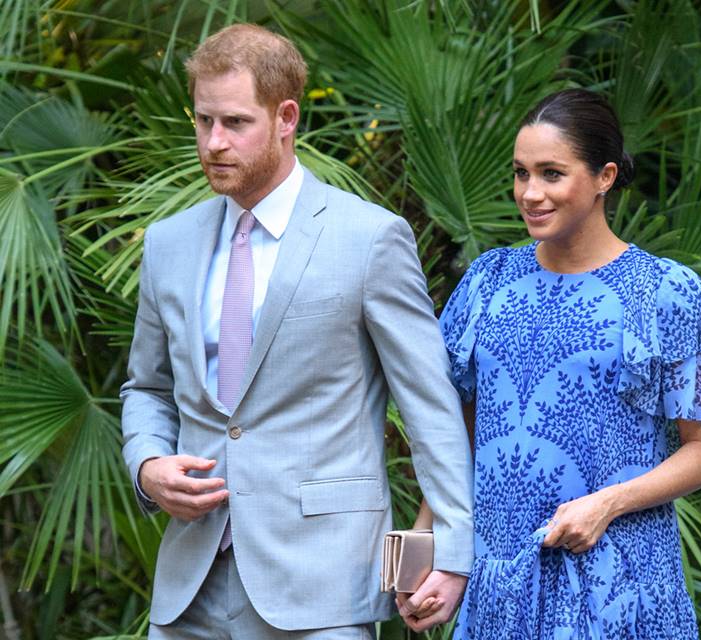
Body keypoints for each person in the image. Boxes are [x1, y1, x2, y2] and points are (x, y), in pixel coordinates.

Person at [120, 23, 473, 639]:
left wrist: (446, 552)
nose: (213, 143)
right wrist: (147, 464)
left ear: (286, 117)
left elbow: (430, 411)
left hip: (325, 589)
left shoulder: (370, 238)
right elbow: (146, 389)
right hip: (188, 590)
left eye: (234, 122)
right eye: (202, 121)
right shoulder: (166, 244)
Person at [408, 88, 701, 638]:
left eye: (551, 174)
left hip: (618, 586)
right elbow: (455, 430)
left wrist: (607, 504)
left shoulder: (667, 294)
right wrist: (426, 550)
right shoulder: (488, 282)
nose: (530, 193)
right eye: (520, 174)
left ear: (605, 176)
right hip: (499, 582)